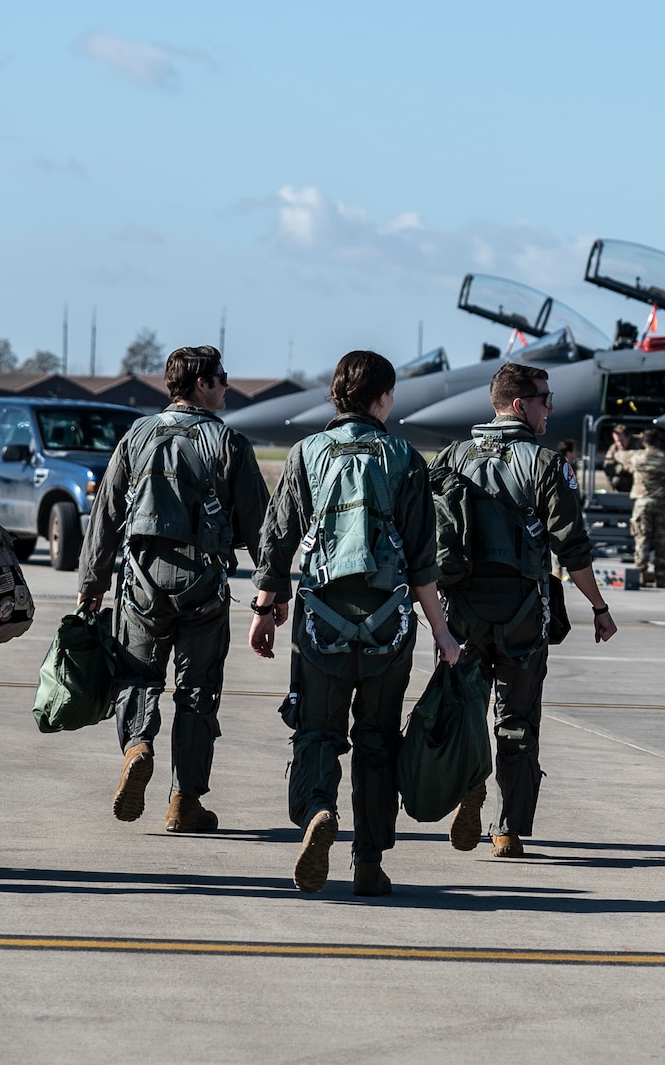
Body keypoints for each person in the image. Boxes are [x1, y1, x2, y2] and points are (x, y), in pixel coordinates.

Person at [248, 350, 463, 897]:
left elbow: (278, 539)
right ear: (384, 397)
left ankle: (319, 809)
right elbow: (421, 559)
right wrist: (441, 630)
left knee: (317, 731)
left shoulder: (306, 453)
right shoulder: (406, 458)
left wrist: (264, 611)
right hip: (389, 627)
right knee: (377, 741)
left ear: (337, 394)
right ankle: (368, 861)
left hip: (321, 619)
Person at [78, 345, 269, 833]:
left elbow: (105, 517)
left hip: (140, 580)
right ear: (202, 384)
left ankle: (138, 746)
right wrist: (272, 592)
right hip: (203, 582)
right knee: (198, 691)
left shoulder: (136, 435)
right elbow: (262, 528)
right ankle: (184, 801)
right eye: (222, 378)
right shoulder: (228, 444)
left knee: (137, 676)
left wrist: (92, 584)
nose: (228, 385)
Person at [433, 363, 618, 859]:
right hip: (520, 614)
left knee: (466, 713)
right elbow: (571, 548)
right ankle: (507, 829)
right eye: (544, 400)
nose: (549, 409)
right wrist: (598, 606)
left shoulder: (452, 457)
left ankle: (469, 785)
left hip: (460, 614)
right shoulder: (545, 463)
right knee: (515, 720)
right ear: (520, 405)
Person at [607, 425, 665, 586]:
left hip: (642, 502)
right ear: (658, 441)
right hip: (662, 502)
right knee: (661, 540)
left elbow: (617, 455)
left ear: (644, 442)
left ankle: (641, 574)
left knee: (642, 538)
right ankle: (660, 576)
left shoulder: (636, 457)